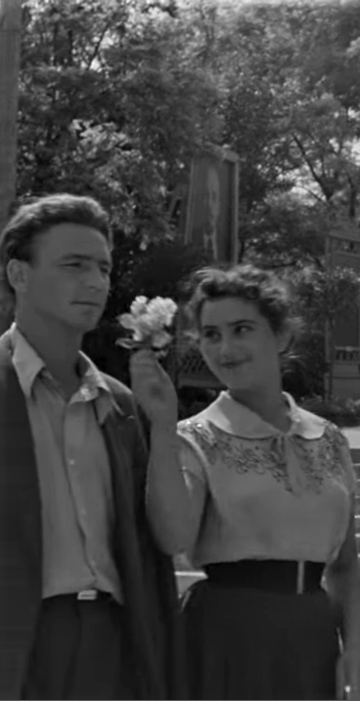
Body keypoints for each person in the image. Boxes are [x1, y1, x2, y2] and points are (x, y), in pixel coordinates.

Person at [0, 194, 186, 699]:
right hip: (18, 645)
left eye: (103, 268)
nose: (96, 282)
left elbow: (167, 541)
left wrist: (163, 426)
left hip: (113, 644)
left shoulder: (120, 404)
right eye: (74, 265)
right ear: (19, 274)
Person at [173, 265, 360, 699]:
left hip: (312, 634)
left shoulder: (329, 438)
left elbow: (345, 565)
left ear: (281, 335)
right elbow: (173, 540)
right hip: (226, 635)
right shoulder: (192, 438)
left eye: (242, 329)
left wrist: (355, 652)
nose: (226, 349)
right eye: (211, 335)